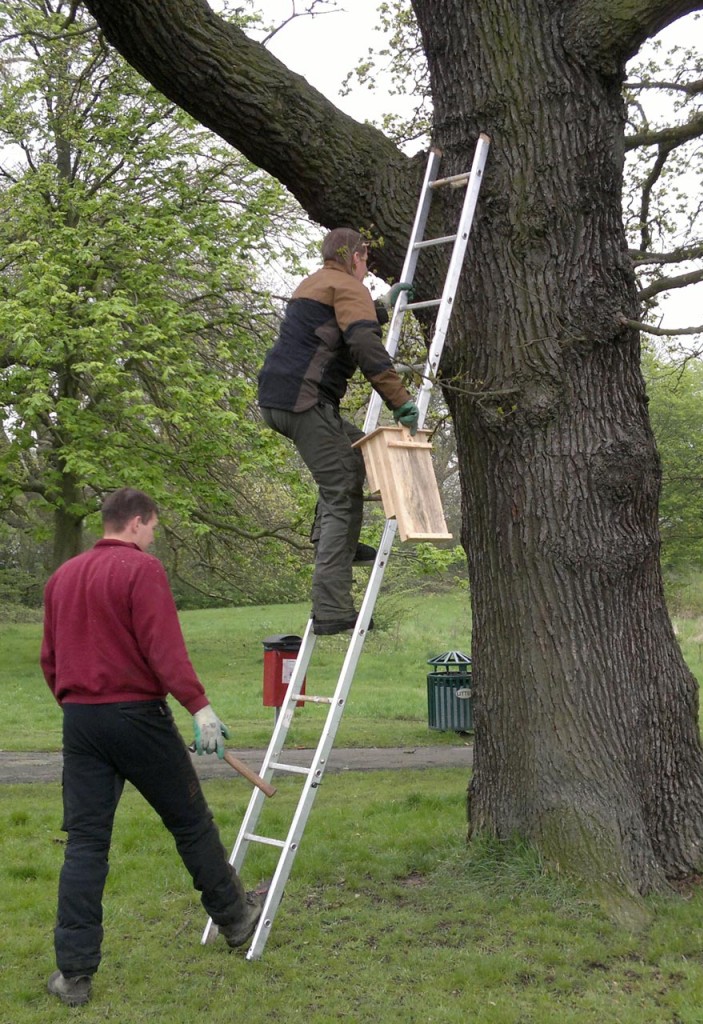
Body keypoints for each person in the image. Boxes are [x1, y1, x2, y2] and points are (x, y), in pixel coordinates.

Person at [40, 487, 264, 1008]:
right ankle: (236, 919)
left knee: (85, 844)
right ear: (138, 522)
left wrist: (80, 706)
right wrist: (199, 706)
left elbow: (50, 660)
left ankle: (73, 974)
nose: (153, 536)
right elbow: (163, 646)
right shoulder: (142, 571)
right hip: (137, 716)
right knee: (190, 823)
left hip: (80, 721)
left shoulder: (61, 579)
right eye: (154, 527)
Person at [258, 227, 418, 635]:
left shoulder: (315, 283)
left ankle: (338, 544)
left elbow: (335, 326)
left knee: (356, 450)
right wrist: (400, 401)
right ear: (357, 257)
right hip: (304, 401)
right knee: (342, 484)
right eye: (366, 259)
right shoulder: (347, 286)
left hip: (279, 400)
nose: (366, 267)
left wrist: (381, 306)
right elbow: (365, 347)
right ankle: (331, 609)